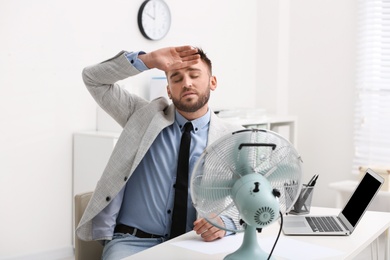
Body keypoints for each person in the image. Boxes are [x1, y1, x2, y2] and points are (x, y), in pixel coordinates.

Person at [76, 46, 243, 259]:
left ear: (212, 82)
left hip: (195, 243)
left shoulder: (234, 138)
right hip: (132, 242)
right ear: (168, 90)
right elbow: (93, 79)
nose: (187, 83)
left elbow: (261, 196)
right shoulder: (142, 116)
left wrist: (226, 223)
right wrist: (149, 60)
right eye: (176, 78)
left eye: (194, 75)